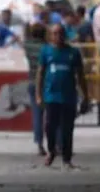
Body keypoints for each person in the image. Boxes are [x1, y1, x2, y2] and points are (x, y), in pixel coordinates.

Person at [36, 24, 90, 168]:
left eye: (60, 34)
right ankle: (51, 150)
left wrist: (85, 96)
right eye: (54, 34)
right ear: (50, 36)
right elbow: (40, 74)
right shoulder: (46, 51)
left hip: (68, 96)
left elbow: (80, 76)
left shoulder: (73, 52)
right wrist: (38, 95)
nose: (57, 37)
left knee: (67, 128)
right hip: (51, 96)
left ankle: (67, 158)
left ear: (64, 35)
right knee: (49, 126)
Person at [24, 23, 48, 155]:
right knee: (51, 114)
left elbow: (25, 39)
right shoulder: (47, 48)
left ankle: (39, 144)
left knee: (37, 115)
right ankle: (56, 143)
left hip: (32, 81)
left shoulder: (27, 46)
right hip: (47, 82)